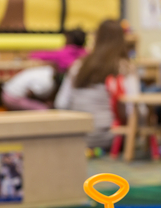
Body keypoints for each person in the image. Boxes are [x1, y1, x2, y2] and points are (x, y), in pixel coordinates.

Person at [55, 19, 139, 150]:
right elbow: (132, 107)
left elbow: (61, 103)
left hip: (76, 137)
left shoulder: (78, 65)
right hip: (107, 137)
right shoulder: (124, 67)